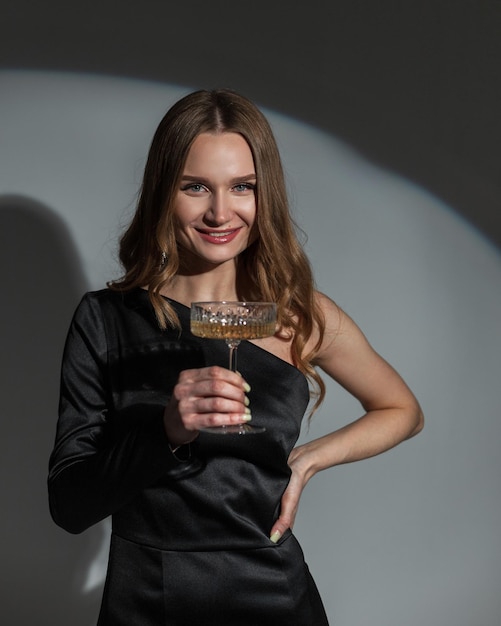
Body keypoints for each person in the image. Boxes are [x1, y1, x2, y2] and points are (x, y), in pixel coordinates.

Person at [48, 88, 424, 626]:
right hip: (147, 598)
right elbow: (69, 506)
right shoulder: (105, 319)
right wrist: (167, 430)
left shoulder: (298, 316)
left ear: (262, 194)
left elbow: (402, 410)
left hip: (273, 594)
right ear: (163, 192)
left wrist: (307, 461)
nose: (220, 212)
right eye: (195, 187)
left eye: (241, 187)